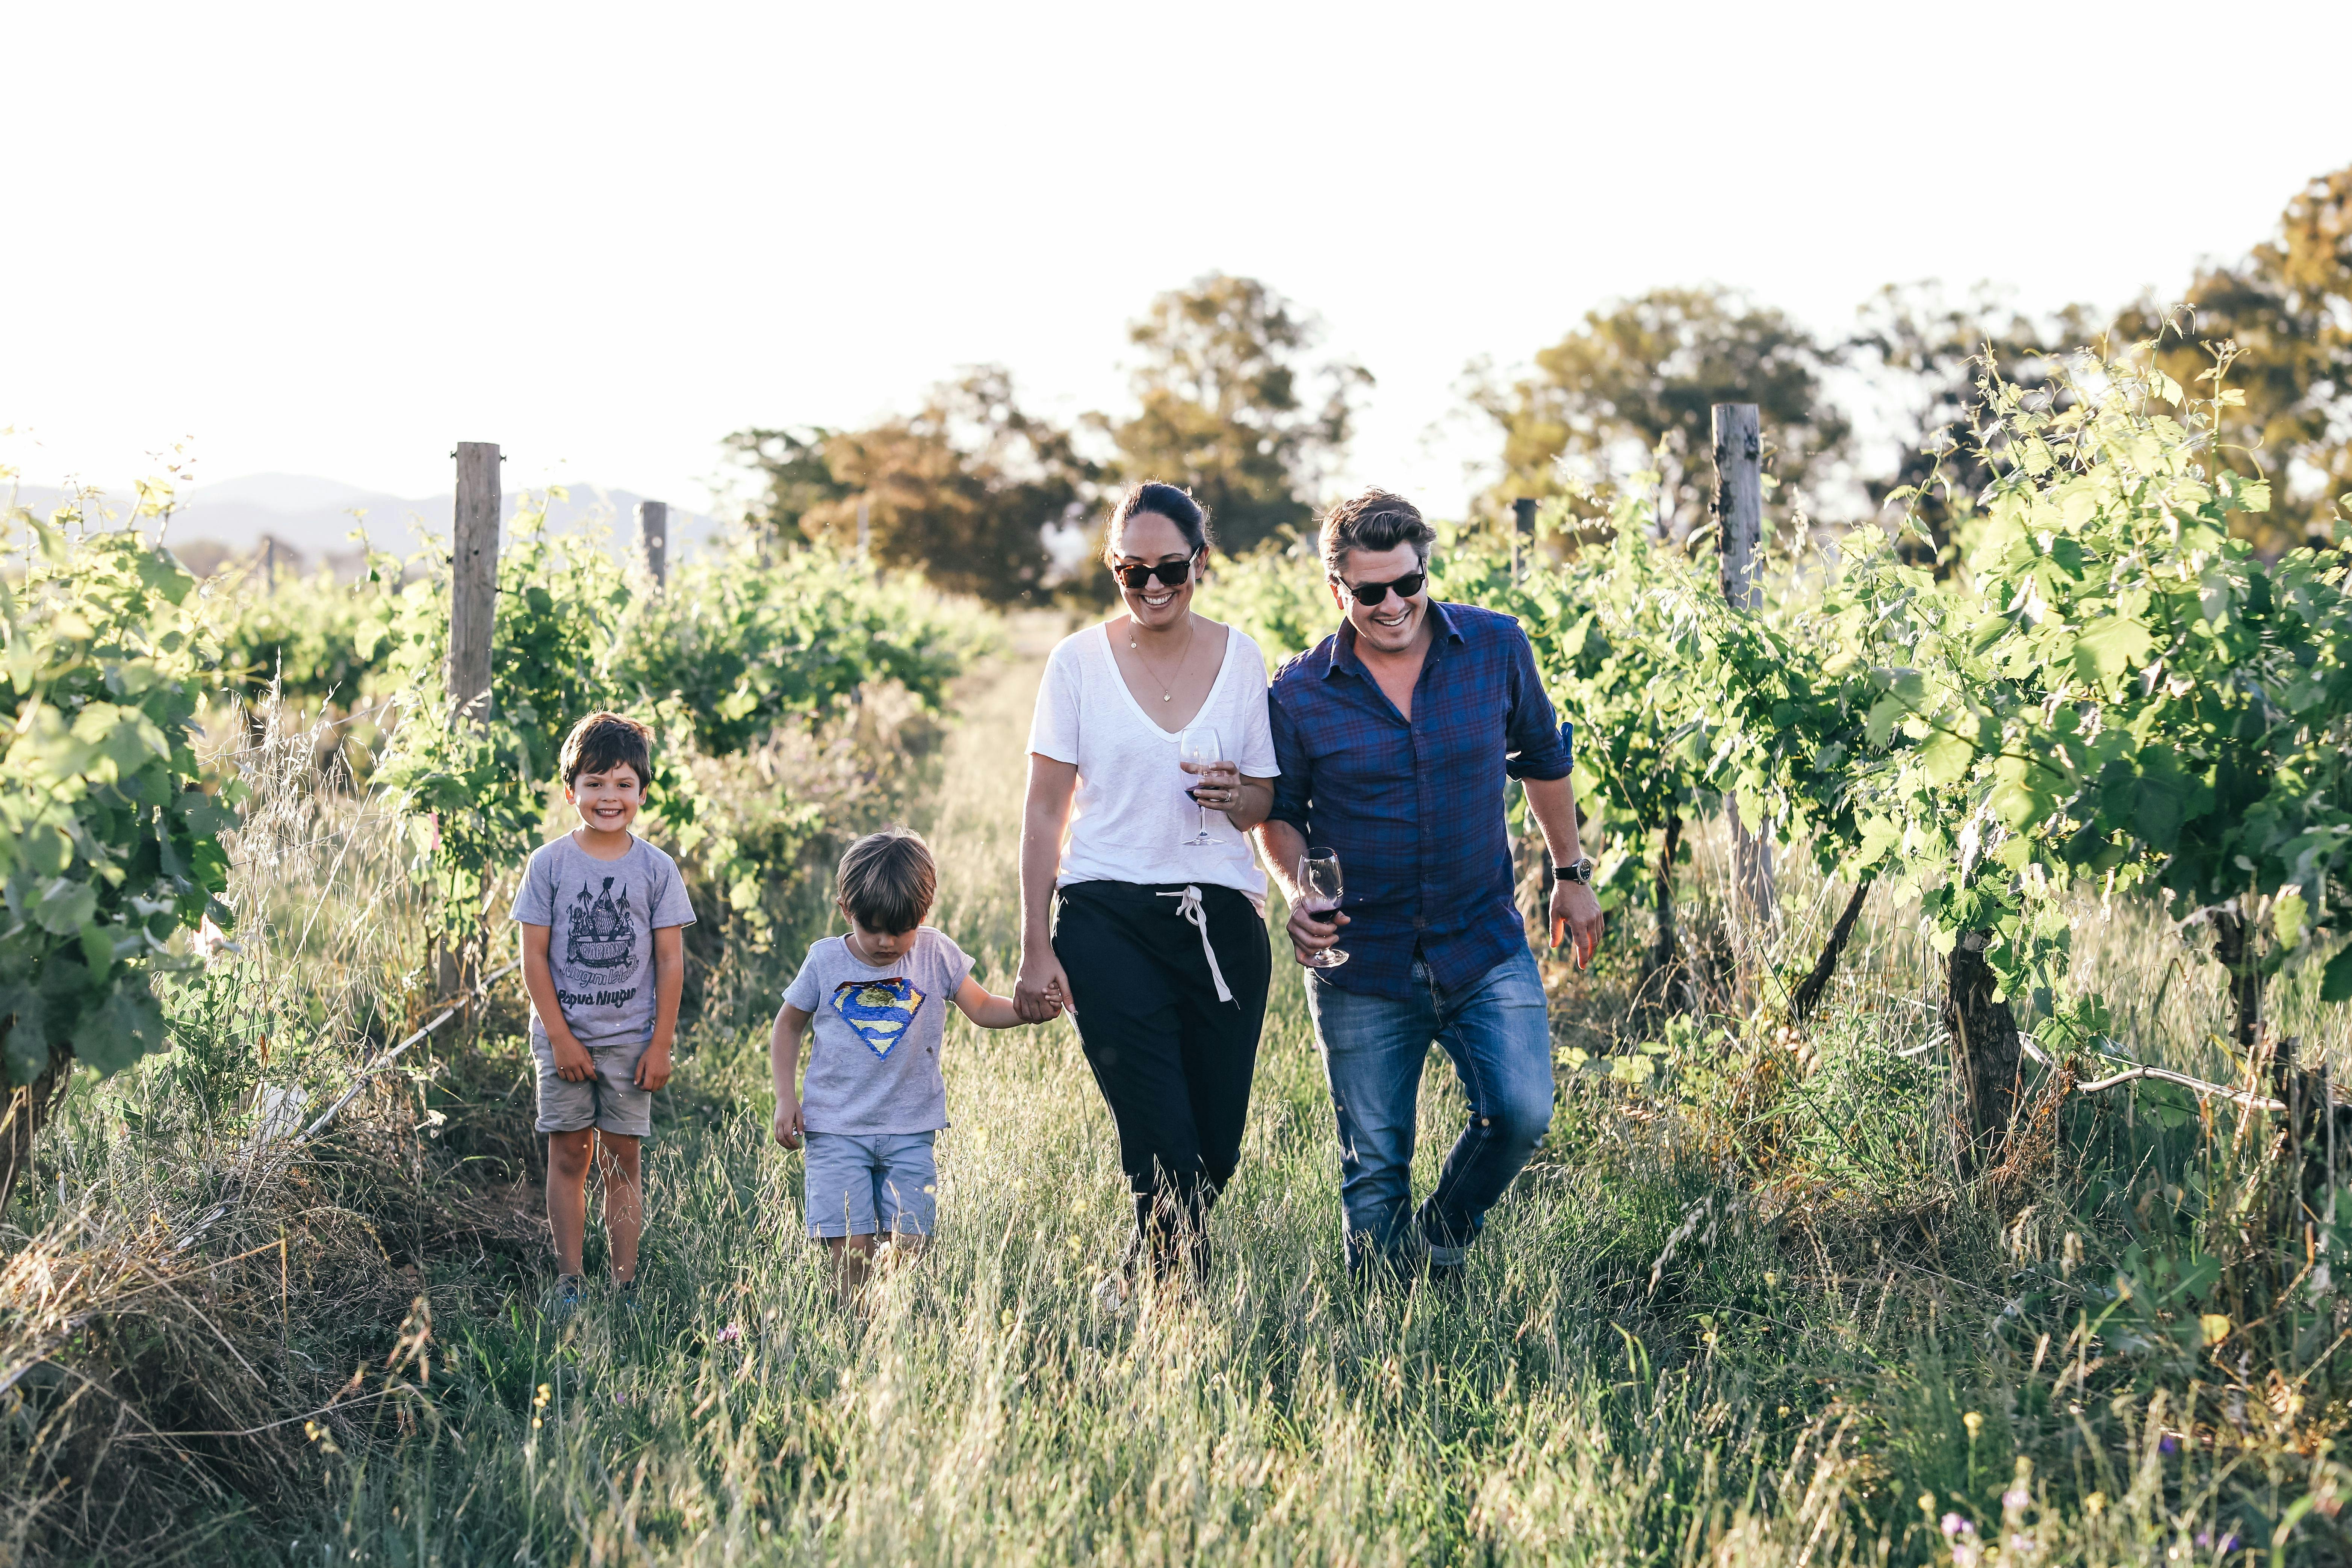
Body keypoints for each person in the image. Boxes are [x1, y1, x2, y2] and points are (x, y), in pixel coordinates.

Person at [1256, 490, 1605, 1285]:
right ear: (1336, 591)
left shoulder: (1493, 645)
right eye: (1370, 591)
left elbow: (1544, 758)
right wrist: (1296, 890)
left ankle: (1442, 1237)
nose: (1393, 605)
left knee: (1519, 1114)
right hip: (1362, 959)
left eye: (1407, 583)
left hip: (1479, 939)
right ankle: (1380, 1328)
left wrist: (1569, 873)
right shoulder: (1300, 690)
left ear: (1425, 570)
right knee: (1374, 1167)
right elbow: (1279, 815)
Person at [1014, 482, 1279, 1293]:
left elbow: (1267, 801)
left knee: (1215, 1142)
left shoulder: (1242, 660)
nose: (1155, 585)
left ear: (1201, 561)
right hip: (1106, 916)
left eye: (1172, 568)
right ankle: (1175, 1315)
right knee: (1159, 1128)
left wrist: (1240, 798)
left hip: (1222, 921)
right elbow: (1043, 811)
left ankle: (1137, 1269)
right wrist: (1035, 942)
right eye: (1135, 572)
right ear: (1114, 568)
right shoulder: (1077, 664)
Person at [770, 827, 1038, 1307]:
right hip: (836, 1128)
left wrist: (1025, 1009)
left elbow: (980, 1007)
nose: (887, 942)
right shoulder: (826, 961)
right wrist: (787, 1099)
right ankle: (854, 1331)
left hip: (911, 1127)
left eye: (902, 928)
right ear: (844, 910)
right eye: (871, 927)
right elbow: (787, 1026)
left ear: (925, 912)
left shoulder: (934, 954)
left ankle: (893, 1327)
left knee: (912, 1243)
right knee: (851, 1249)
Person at [515, 711, 695, 1326]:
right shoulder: (549, 866)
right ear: (571, 791)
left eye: (622, 783)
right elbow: (533, 959)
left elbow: (670, 962)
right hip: (565, 1039)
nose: (608, 797)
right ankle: (571, 1278)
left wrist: (661, 1043)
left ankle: (624, 1285)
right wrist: (560, 1036)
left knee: (622, 1158)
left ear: (642, 792)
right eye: (595, 783)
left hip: (631, 1039)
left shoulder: (655, 870)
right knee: (568, 1154)